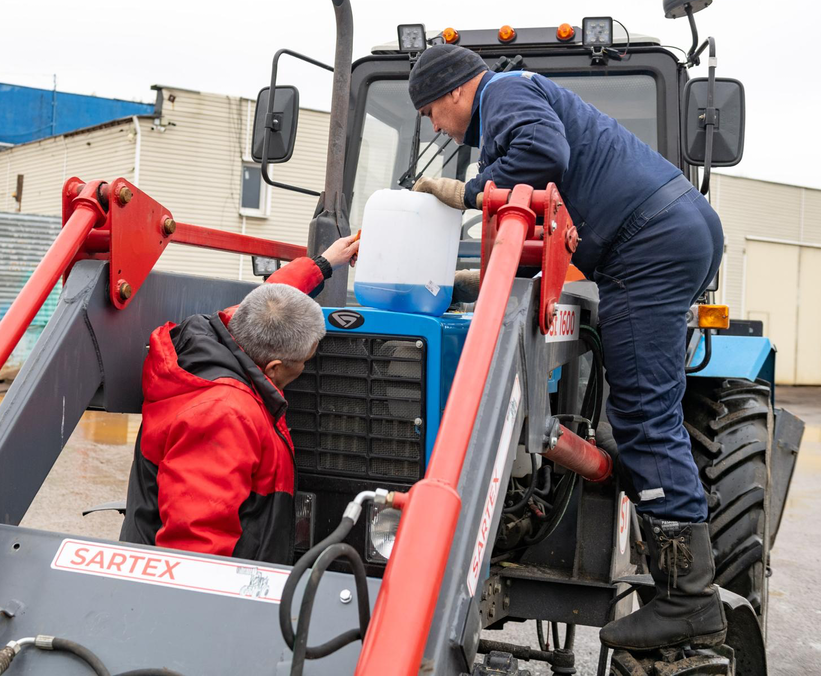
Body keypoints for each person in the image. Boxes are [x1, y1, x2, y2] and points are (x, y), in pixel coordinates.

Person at [408, 44, 725, 652]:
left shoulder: (504, 93)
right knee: (638, 416)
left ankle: (690, 600)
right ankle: (672, 559)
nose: (432, 124)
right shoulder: (515, 99)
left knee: (643, 417)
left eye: (428, 111)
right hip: (664, 230)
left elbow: (543, 155)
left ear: (453, 91)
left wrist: (470, 191)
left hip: (649, 243)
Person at [120, 234, 359, 565]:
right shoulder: (225, 415)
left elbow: (269, 301)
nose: (305, 367)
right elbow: (194, 546)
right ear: (273, 368)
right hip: (214, 592)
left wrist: (323, 263)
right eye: (305, 361)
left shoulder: (225, 333)